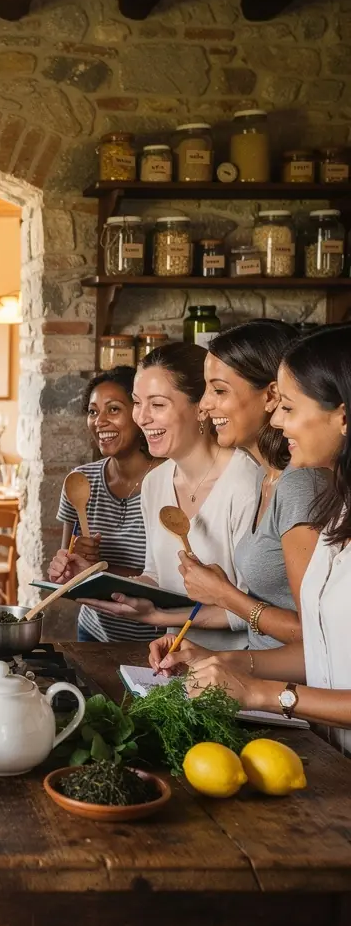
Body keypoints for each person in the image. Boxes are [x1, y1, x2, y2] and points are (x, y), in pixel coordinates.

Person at [150, 325, 351, 756]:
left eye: (289, 405)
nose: (279, 418)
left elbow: (305, 632)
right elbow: (321, 646)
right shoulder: (330, 503)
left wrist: (263, 693)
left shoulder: (304, 487)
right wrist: (225, 663)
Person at [62, 342, 260, 650]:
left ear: (200, 407)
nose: (141, 417)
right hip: (176, 660)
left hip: (239, 669)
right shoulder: (155, 483)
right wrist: (93, 580)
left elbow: (255, 611)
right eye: (138, 403)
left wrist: (158, 616)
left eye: (157, 405)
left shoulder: (247, 482)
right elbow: (155, 576)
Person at [177, 321, 326, 649]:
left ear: (271, 395)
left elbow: (317, 635)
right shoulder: (265, 476)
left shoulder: (299, 485)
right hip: (261, 678)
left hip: (290, 693)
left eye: (219, 390)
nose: (203, 404)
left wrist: (224, 594)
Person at [47, 366, 162, 643]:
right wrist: (70, 565)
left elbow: (172, 581)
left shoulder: (169, 481)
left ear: (138, 414)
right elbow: (66, 575)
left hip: (156, 638)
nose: (99, 421)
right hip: (93, 631)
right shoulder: (81, 479)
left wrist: (99, 568)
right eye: (93, 411)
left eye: (113, 409)